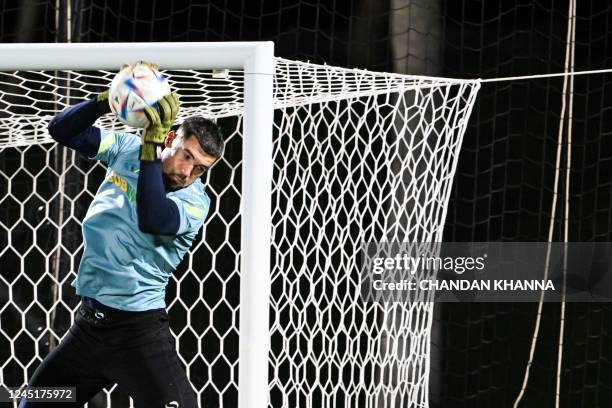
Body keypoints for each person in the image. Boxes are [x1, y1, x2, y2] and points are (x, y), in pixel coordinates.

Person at [19, 63, 223, 408]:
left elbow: (153, 217)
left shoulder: (195, 200)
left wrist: (149, 148)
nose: (188, 171)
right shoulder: (128, 149)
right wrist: (107, 100)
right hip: (88, 328)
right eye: (186, 156)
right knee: (33, 403)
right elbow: (62, 130)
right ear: (171, 138)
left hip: (139, 334)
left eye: (200, 167)